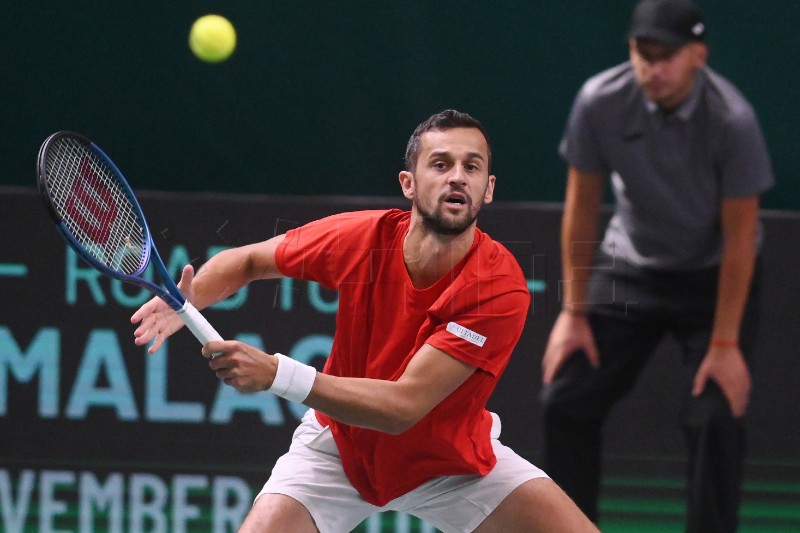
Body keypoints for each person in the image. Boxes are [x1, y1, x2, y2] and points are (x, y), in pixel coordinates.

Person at [132, 109, 598, 533]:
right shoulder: (363, 239)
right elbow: (248, 261)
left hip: (450, 464)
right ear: (408, 183)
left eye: (471, 167)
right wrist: (184, 304)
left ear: (488, 188)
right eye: (440, 164)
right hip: (341, 449)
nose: (457, 177)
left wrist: (278, 374)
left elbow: (403, 408)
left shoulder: (497, 285)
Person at [540, 0, 774, 531]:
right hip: (631, 270)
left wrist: (724, 344)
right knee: (565, 398)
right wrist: (573, 312)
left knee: (715, 416)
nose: (654, 69)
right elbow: (580, 209)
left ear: (698, 56)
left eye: (666, 56)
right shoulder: (599, 102)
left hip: (714, 277)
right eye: (642, 54)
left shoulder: (732, 120)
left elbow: (741, 238)